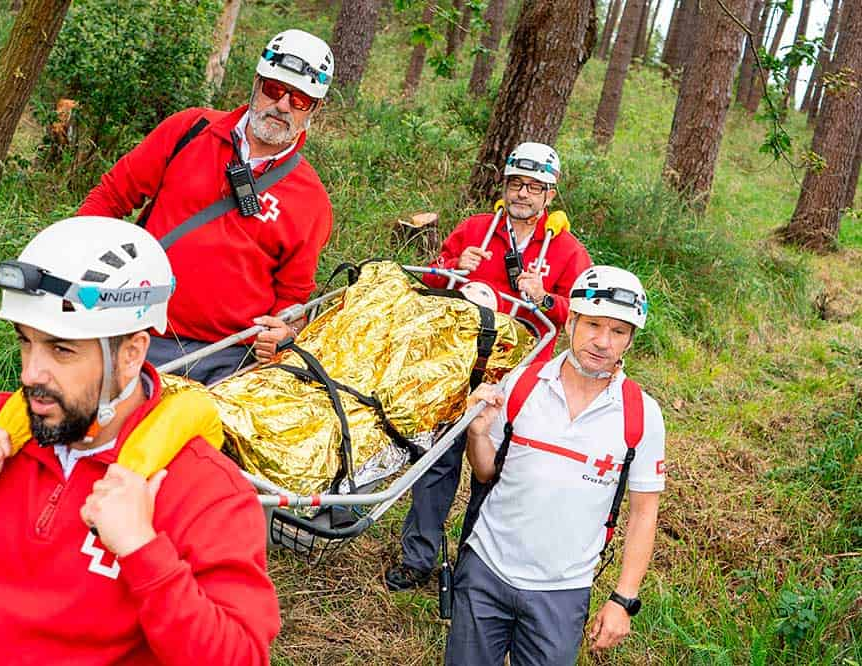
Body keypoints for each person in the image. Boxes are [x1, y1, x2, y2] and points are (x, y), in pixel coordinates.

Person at [0, 217, 281, 665]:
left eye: (62, 349)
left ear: (132, 353)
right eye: (26, 343)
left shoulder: (201, 486)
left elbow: (239, 658)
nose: (30, 374)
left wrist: (142, 548)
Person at [385, 142, 592, 591]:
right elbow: (432, 281)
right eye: (516, 183)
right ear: (505, 186)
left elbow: (584, 318)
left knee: (494, 473)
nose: (523, 193)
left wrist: (545, 298)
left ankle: (474, 572)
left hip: (516, 380)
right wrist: (455, 265)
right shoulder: (478, 230)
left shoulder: (568, 251)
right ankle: (418, 558)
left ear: (550, 194)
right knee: (437, 463)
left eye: (535, 187)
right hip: (456, 368)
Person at [77, 29, 335, 384]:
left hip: (226, 360)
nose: (283, 105)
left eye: (301, 100)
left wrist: (285, 333)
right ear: (257, 83)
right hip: (134, 327)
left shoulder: (311, 200)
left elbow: (293, 297)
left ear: (315, 109)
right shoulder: (191, 129)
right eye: (275, 89)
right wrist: (72, 260)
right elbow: (111, 196)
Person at [446, 265, 665, 665]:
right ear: (571, 323)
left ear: (631, 340)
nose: (602, 342)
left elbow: (644, 513)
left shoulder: (642, 415)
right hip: (486, 573)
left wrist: (623, 599)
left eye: (618, 332)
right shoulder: (522, 384)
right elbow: (485, 473)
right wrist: (477, 433)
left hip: (562, 592)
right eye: (593, 325)